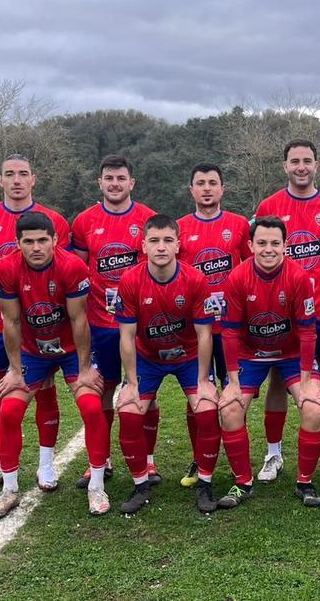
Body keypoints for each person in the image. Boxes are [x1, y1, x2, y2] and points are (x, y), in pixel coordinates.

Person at [0, 212, 111, 518]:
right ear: (18, 243)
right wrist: (14, 371)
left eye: (43, 240)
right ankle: (9, 490)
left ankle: (96, 486)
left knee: (92, 407)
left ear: (55, 240)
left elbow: (79, 319)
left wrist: (83, 369)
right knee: (10, 410)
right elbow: (11, 322)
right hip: (32, 352)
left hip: (70, 350)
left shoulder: (71, 266)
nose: (36, 247)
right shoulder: (5, 268)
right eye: (28, 241)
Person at [0, 154, 71, 495]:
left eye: (23, 174)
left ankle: (46, 463)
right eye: (10, 174)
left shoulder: (54, 221)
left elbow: (62, 271)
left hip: (41, 326)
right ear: (1, 180)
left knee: (44, 390)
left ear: (33, 179)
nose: (17, 180)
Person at [254, 139, 320, 483]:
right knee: (279, 377)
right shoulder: (270, 205)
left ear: (316, 165)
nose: (301, 167)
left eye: (307, 160)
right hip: (280, 314)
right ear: (285, 166)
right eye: (294, 161)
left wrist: (314, 288)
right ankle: (273, 454)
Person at [216, 216, 320, 508]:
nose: (268, 249)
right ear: (250, 245)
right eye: (262, 243)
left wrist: (305, 382)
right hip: (248, 354)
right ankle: (243, 483)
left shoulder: (299, 277)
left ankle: (305, 482)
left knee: (314, 406)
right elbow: (228, 332)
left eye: (275, 243)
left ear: (285, 246)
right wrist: (233, 382)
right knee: (229, 408)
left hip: (291, 353)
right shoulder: (237, 278)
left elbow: (307, 330)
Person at [114, 215, 222, 515]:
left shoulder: (196, 280)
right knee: (130, 411)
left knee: (207, 409)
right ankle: (140, 485)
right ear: (144, 246)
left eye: (167, 240)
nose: (161, 247)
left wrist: (203, 380)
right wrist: (132, 384)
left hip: (188, 357)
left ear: (178, 244)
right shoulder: (130, 280)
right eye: (154, 241)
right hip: (148, 359)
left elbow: (204, 335)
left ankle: (205, 483)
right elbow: (127, 337)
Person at [70, 156, 158, 489]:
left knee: (146, 390)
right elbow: (76, 273)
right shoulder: (84, 221)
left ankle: (149, 462)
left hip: (140, 323)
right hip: (100, 323)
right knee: (103, 389)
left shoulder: (147, 219)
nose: (115, 184)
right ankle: (101, 459)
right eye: (109, 178)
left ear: (131, 183)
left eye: (121, 178)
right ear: (100, 182)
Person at [175, 163, 251, 488]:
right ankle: (199, 457)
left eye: (213, 183)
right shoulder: (179, 228)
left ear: (223, 189)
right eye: (200, 183)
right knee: (198, 396)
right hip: (197, 331)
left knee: (235, 395)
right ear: (191, 189)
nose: (207, 188)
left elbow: (250, 271)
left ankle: (238, 461)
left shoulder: (238, 225)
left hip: (233, 329)